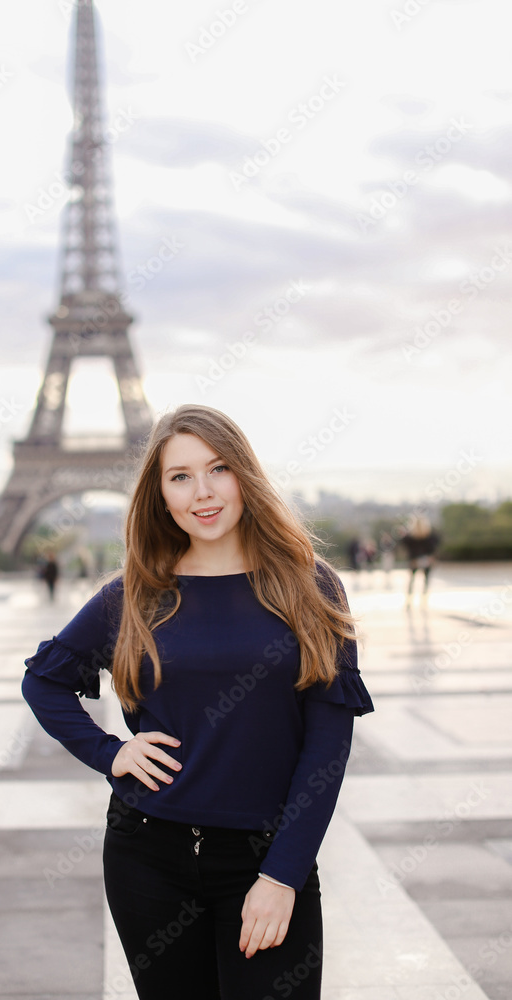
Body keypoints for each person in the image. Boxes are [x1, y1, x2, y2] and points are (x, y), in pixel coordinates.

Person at [21, 404, 374, 1000]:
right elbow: (43, 679)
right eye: (180, 476)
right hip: (147, 857)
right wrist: (109, 752)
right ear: (158, 494)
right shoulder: (131, 595)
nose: (202, 492)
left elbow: (327, 746)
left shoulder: (310, 586)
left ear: (245, 475)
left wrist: (282, 875)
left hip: (264, 859)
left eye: (218, 469)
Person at [400, 514, 440, 602]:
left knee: (412, 580)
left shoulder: (411, 537)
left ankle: (409, 599)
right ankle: (423, 598)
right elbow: (434, 546)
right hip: (425, 559)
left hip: (414, 560)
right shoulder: (429, 535)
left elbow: (405, 544)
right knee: (425, 580)